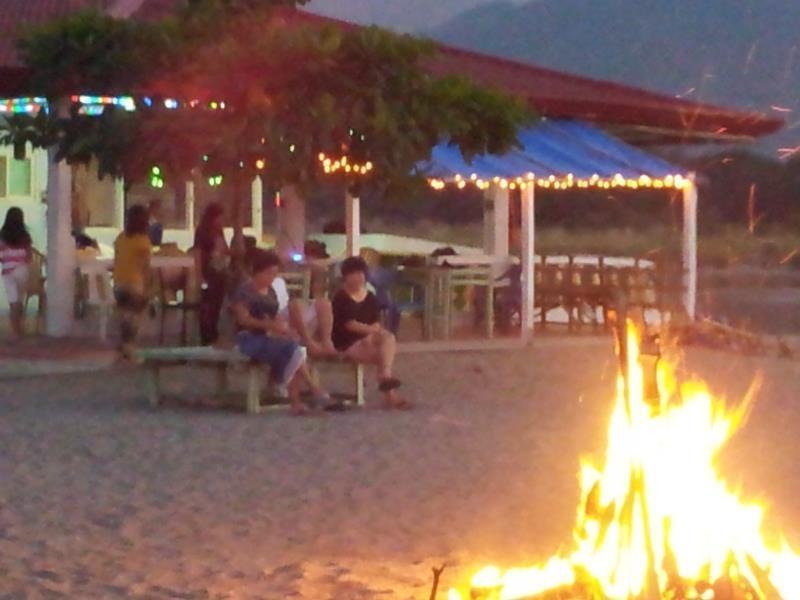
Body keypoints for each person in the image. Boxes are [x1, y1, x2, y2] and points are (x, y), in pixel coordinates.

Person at [232, 250, 333, 415]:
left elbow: (276, 316)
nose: (272, 277)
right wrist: (270, 325)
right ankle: (312, 389)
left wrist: (284, 329)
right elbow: (243, 320)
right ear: (257, 272)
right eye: (269, 273)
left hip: (267, 335)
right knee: (293, 350)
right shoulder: (245, 291)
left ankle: (298, 400)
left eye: (274, 273)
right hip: (249, 338)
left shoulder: (270, 291)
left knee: (295, 348)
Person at [332, 256, 411, 409]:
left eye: (361, 274)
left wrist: (371, 333)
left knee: (388, 337)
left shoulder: (369, 297)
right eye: (354, 274)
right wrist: (370, 331)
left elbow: (375, 321)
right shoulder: (340, 297)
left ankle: (386, 377)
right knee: (382, 354)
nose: (358, 278)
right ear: (346, 276)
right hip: (346, 343)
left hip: (367, 339)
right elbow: (349, 324)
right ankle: (389, 392)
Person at [113, 205, 152, 358]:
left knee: (124, 316)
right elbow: (146, 267)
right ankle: (129, 348)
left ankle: (124, 346)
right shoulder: (143, 241)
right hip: (135, 283)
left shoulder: (120, 238)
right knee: (135, 317)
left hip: (118, 283)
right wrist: (149, 288)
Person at [194, 203, 229, 345]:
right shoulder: (202, 231)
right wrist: (199, 275)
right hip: (207, 270)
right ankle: (206, 336)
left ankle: (213, 332)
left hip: (219, 270)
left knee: (217, 304)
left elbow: (224, 248)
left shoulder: (219, 231)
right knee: (207, 304)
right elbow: (197, 253)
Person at [0, 207, 33, 339]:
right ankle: (20, 328)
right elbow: (29, 256)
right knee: (20, 300)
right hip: (22, 270)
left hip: (8, 271)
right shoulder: (25, 236)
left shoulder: (2, 235)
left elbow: (1, 255)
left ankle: (15, 330)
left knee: (12, 301)